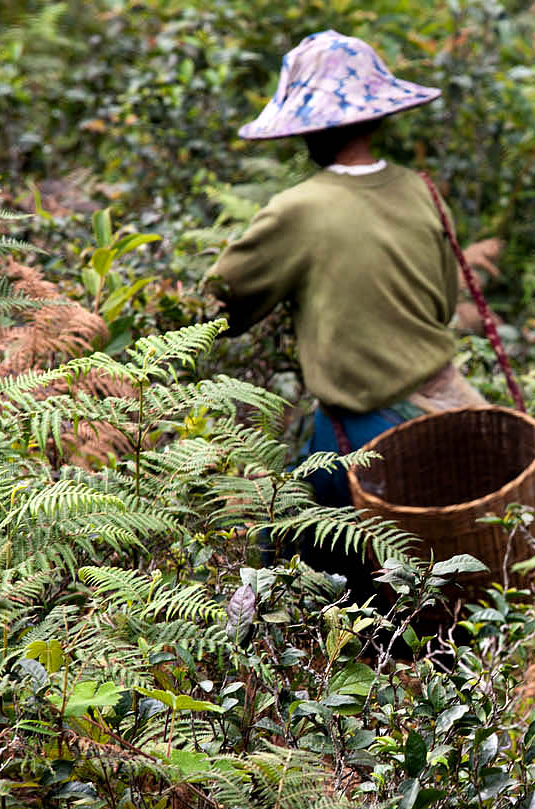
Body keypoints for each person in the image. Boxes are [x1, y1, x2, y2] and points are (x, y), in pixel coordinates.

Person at [206, 29, 502, 510]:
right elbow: (446, 302)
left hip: (360, 432)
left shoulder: (298, 209)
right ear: (377, 116)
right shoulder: (420, 188)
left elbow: (220, 304)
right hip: (445, 401)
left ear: (306, 127)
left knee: (288, 548)